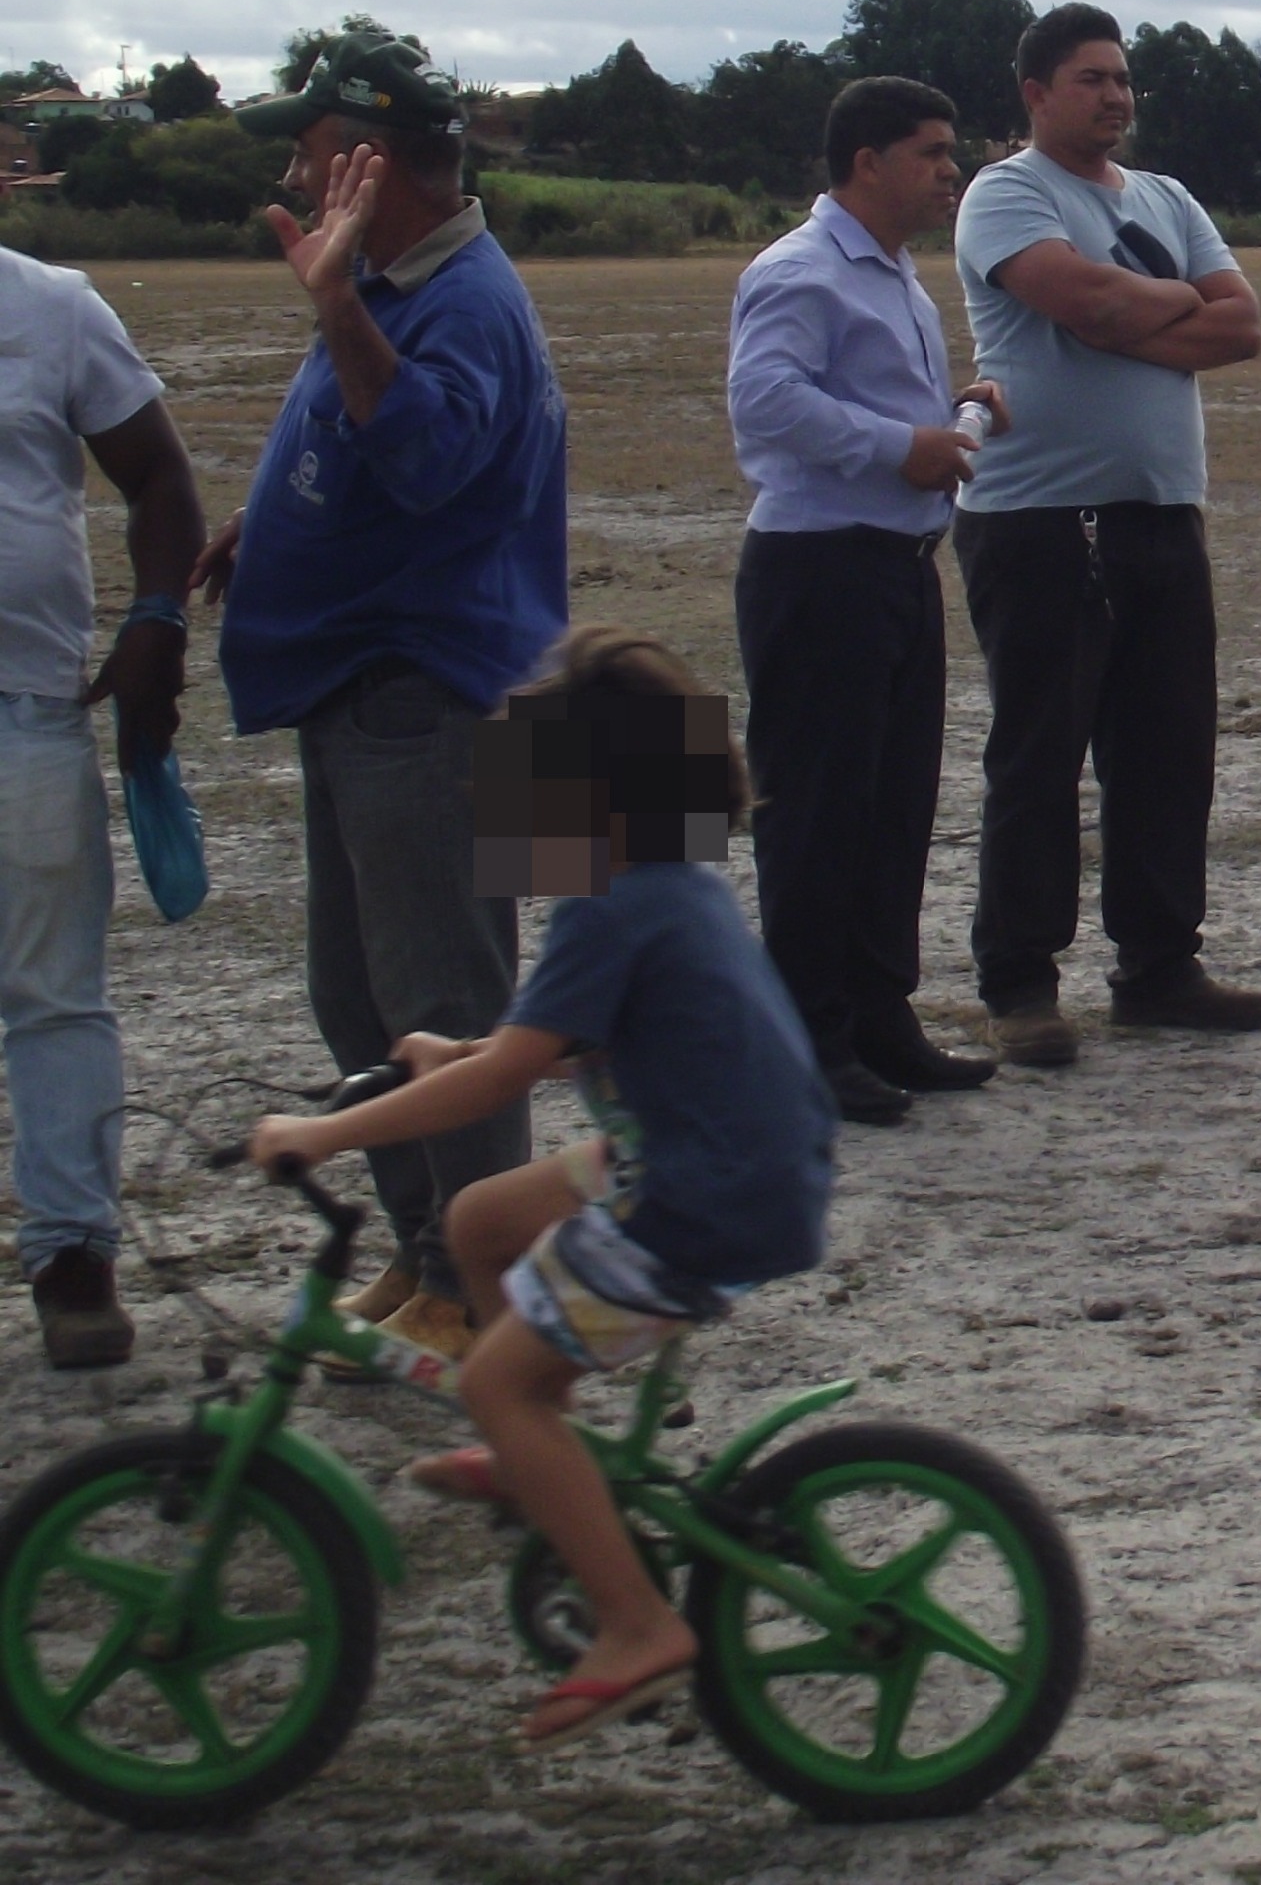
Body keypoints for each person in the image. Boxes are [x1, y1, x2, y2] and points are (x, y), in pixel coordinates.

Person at [247, 627, 834, 1749]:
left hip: (700, 1200)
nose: (490, 807)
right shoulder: (665, 884)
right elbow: (559, 1040)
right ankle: (541, 1458)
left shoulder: (606, 904)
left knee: (495, 1385)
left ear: (591, 800)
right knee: (480, 1218)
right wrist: (465, 1048)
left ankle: (636, 1624)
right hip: (728, 1159)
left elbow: (505, 1080)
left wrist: (323, 1134)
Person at [201, 32, 567, 1369]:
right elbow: (370, 448)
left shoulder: (458, 297)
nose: (296, 172)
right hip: (365, 691)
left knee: (446, 1013)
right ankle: (429, 1256)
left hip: (430, 702)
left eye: (312, 148)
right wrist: (271, 525)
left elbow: (424, 458)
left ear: (368, 160)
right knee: (361, 1003)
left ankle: (483, 1294)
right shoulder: (392, 279)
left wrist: (336, 309)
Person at [950, 3, 1261, 1066]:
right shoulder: (1007, 194)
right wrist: (1163, 307)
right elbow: (1081, 300)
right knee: (1038, 761)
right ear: (1036, 93)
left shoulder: (1167, 198)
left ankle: (1160, 968)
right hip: (1040, 522)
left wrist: (1129, 315)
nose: (1116, 96)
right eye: (1091, 79)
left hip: (1161, 514)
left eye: (1123, 79)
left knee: (1167, 757)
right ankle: (1020, 985)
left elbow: (1242, 326)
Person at [726, 75, 1008, 1125]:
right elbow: (764, 400)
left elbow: (864, 401)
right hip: (820, 569)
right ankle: (809, 1039)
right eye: (931, 153)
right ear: (866, 163)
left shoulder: (894, 275)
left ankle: (879, 1018)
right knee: (816, 814)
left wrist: (955, 414)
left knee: (893, 805)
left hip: (893, 563)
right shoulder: (799, 270)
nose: (950, 173)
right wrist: (901, 447)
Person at [1, 248, 204, 1368]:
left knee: (54, 994)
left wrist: (157, 619)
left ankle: (74, 1256)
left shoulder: (53, 308)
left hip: (25, 709)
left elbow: (160, 477)